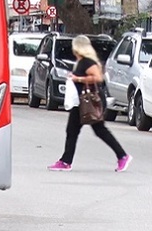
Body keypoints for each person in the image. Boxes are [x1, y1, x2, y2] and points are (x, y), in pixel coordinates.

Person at [49, 35, 132, 172]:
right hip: (81, 101)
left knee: (98, 130)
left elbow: (98, 78)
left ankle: (122, 155)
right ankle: (65, 161)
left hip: (89, 101)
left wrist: (78, 78)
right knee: (73, 130)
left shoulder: (87, 62)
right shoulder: (82, 61)